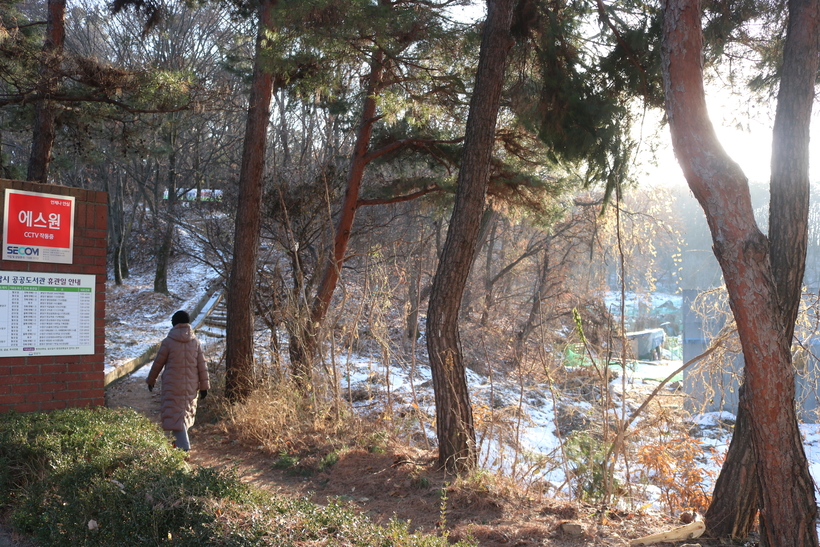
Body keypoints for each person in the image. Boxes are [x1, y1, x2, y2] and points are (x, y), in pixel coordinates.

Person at [146, 310, 209, 452]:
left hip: (172, 386)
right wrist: (204, 386)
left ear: (174, 323)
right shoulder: (195, 342)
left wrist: (151, 380)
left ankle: (183, 449)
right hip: (191, 386)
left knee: (175, 417)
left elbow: (158, 363)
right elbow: (202, 365)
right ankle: (176, 448)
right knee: (183, 415)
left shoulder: (168, 342)